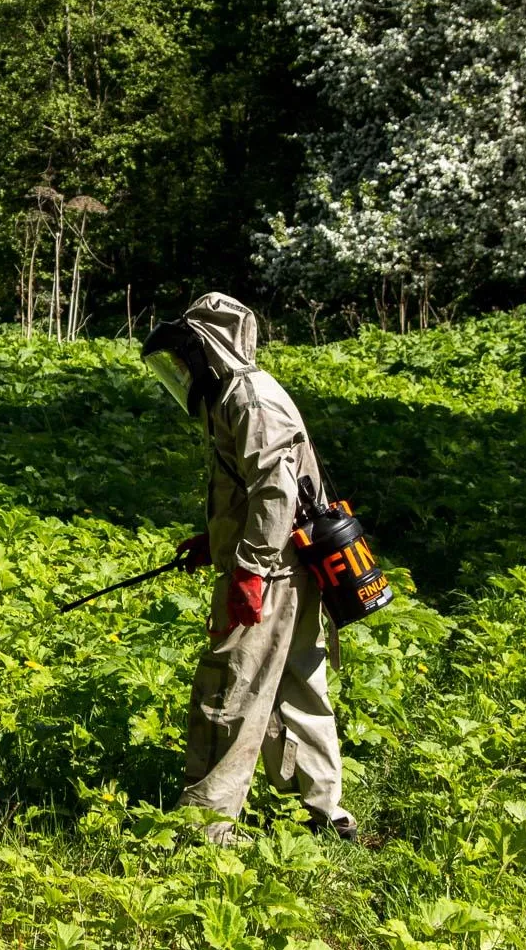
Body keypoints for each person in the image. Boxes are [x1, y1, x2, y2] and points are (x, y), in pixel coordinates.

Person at [141, 292, 357, 845]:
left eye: (187, 357)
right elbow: (248, 488)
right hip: (276, 562)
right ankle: (324, 813)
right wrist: (211, 540)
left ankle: (204, 827)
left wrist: (249, 571)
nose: (183, 371)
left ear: (209, 348)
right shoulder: (231, 396)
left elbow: (276, 491)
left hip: (273, 569)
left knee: (229, 685)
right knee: (296, 684)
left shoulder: (252, 399)